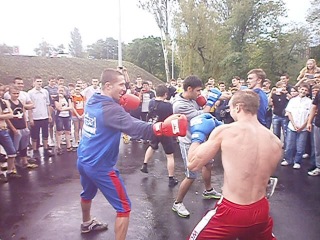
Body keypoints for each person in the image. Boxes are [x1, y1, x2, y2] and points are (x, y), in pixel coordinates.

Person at [77, 68, 187, 240]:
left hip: (84, 159)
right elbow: (135, 127)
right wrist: (160, 127)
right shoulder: (111, 110)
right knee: (124, 208)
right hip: (100, 166)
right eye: (120, 85)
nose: (124, 89)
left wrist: (123, 80)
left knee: (87, 193)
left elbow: (119, 102)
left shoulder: (93, 99)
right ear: (108, 86)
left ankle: (86, 224)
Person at [187, 90, 282, 239]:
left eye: (230, 108)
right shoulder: (275, 141)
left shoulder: (225, 131)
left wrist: (197, 136)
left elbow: (193, 164)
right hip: (261, 209)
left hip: (231, 211)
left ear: (238, 107)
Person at [171, 75, 222, 218]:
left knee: (208, 165)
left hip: (201, 139)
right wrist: (211, 102)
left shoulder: (192, 99)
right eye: (198, 90)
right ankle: (178, 203)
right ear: (189, 89)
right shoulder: (179, 104)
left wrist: (218, 98)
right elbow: (201, 117)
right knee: (191, 175)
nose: (200, 93)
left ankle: (208, 190)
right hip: (188, 142)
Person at [140, 84, 179, 187]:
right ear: (165, 94)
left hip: (154, 128)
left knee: (152, 147)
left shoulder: (151, 102)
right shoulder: (168, 106)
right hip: (165, 131)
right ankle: (171, 179)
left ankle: (144, 165)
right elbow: (171, 118)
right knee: (169, 155)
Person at [281, 84, 312, 169]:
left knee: (300, 146)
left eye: (305, 90)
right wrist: (294, 125)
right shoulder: (293, 100)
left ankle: (297, 161)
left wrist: (303, 126)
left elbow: (309, 115)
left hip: (303, 128)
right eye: (302, 89)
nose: (303, 91)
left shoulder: (309, 102)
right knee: (290, 145)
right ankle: (288, 160)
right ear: (299, 89)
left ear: (307, 92)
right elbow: (289, 113)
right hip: (292, 126)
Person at [307, 85, 320, 176]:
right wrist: (309, 122)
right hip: (318, 124)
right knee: (317, 148)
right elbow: (314, 107)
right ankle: (319, 167)